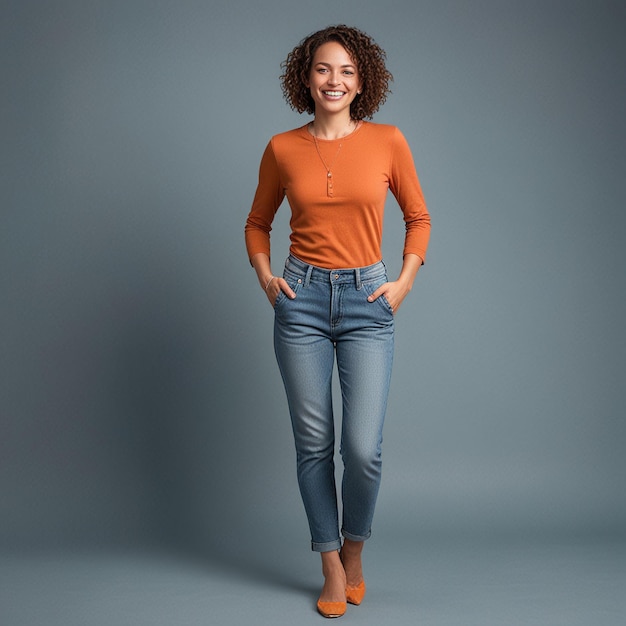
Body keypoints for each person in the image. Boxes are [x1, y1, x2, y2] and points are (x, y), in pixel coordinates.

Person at [244, 24, 430, 618]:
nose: (335, 80)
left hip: (365, 301)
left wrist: (401, 282)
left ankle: (354, 549)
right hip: (299, 302)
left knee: (363, 448)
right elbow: (256, 223)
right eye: (324, 69)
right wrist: (265, 275)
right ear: (306, 77)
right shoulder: (281, 147)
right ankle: (329, 562)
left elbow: (419, 218)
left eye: (347, 71)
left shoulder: (389, 141)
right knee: (314, 443)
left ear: (362, 82)